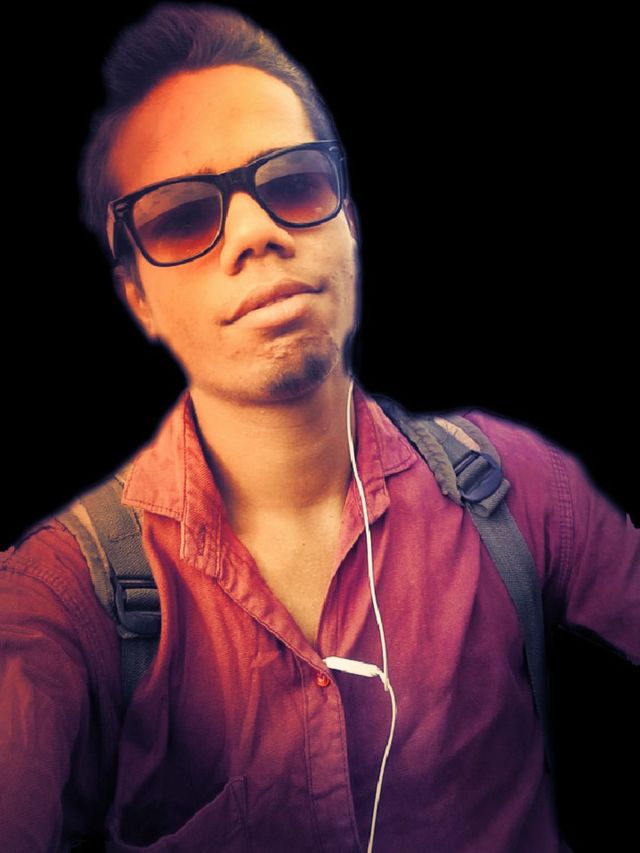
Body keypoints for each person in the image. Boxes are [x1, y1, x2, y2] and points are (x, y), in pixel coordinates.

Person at [1, 3, 638, 851]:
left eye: (295, 182)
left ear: (350, 226)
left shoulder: (514, 487)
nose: (256, 233)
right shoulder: (63, 596)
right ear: (138, 298)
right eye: (182, 216)